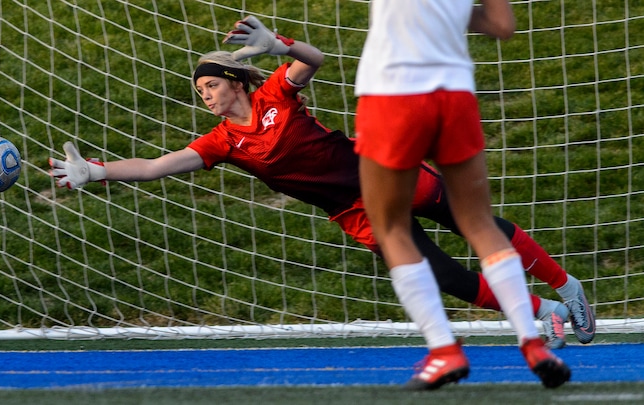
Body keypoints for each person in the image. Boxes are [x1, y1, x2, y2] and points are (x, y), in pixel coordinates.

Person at [49, 14, 587, 385]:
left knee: (473, 221)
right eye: (200, 92)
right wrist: (95, 172)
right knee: (444, 275)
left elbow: (315, 58)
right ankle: (546, 312)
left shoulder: (273, 95)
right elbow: (155, 166)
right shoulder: (222, 143)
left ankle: (567, 284)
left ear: (233, 82)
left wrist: (279, 46)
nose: (205, 95)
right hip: (355, 212)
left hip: (382, 171)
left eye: (209, 85)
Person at [354, 0, 571, 390]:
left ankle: (444, 351)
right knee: (479, 222)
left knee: (391, 228)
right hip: (454, 93)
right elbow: (502, 25)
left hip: (393, 91)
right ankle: (533, 344)